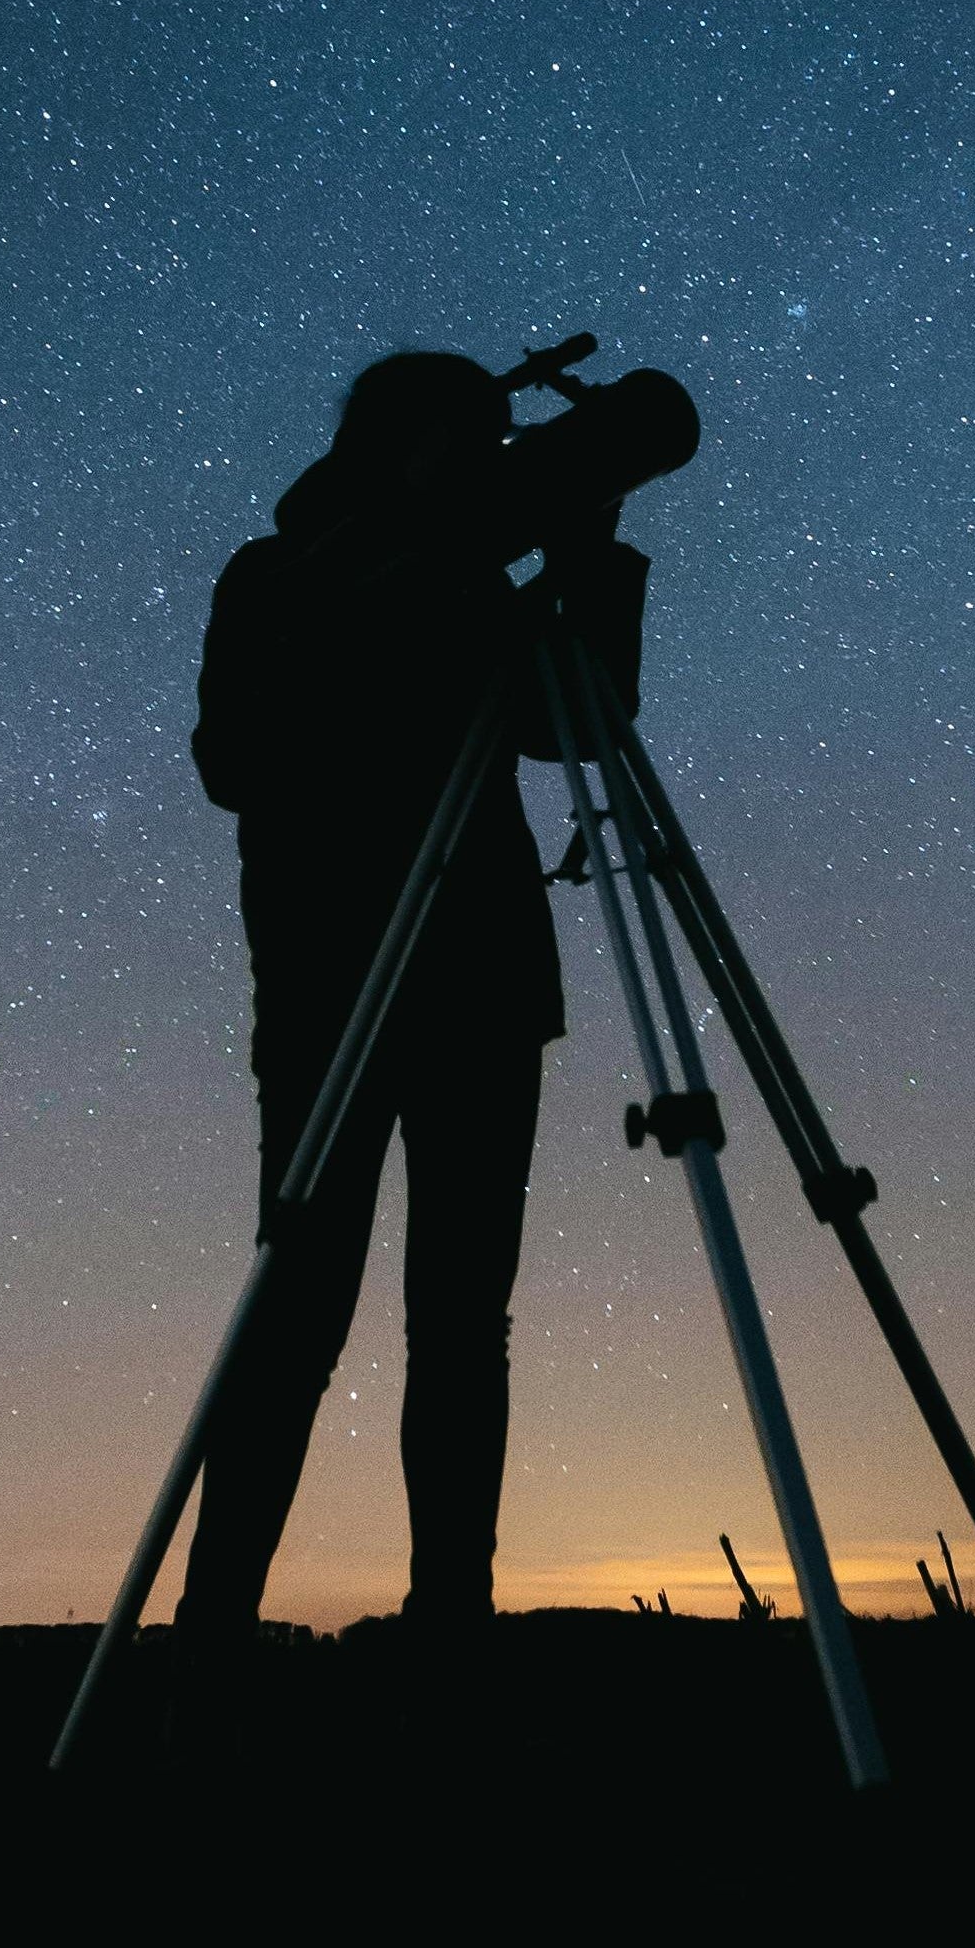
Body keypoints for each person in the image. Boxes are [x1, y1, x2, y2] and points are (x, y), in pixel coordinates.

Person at [178, 349, 644, 1637]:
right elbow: (236, 759)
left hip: (481, 990)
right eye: (472, 436)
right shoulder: (276, 576)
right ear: (397, 438)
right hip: (334, 985)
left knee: (461, 1326)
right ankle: (210, 1641)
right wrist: (391, 601)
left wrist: (589, 555)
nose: (493, 460)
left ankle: (454, 1628)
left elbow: (585, 727)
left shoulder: (484, 580)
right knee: (300, 1310)